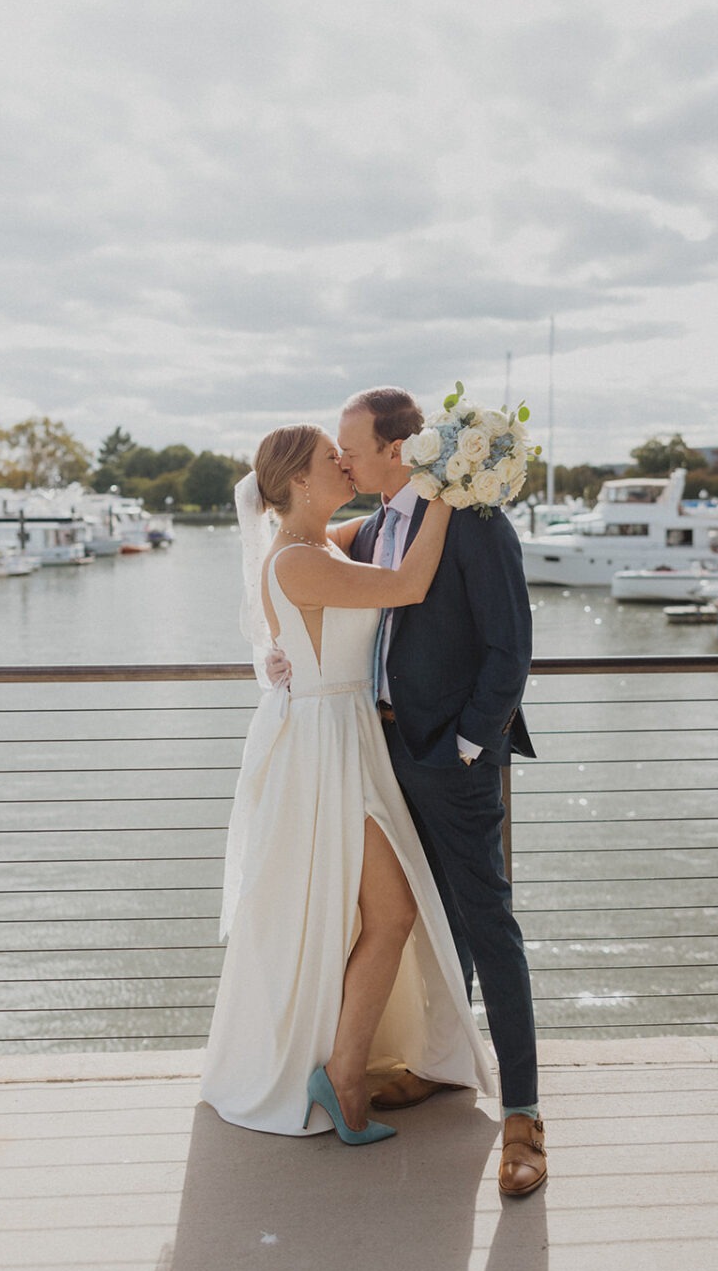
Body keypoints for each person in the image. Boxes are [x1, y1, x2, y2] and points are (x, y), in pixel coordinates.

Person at [200, 424, 494, 1147]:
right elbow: (407, 582)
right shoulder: (298, 561)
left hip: (347, 738)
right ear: (300, 481)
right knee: (388, 914)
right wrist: (452, 494)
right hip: (323, 750)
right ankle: (342, 1073)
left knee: (385, 915)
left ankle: (344, 1069)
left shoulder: (330, 541)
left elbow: (393, 526)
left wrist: (432, 475)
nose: (344, 465)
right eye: (332, 460)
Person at [332, 386, 546, 1197]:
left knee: (488, 923)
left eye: (350, 445)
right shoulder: (380, 522)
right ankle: (443, 1062)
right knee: (425, 917)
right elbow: (295, 546)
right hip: (383, 750)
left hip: (448, 758)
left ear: (397, 447)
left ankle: (524, 1116)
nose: (341, 458)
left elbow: (510, 647)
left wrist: (467, 746)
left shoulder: (474, 514)